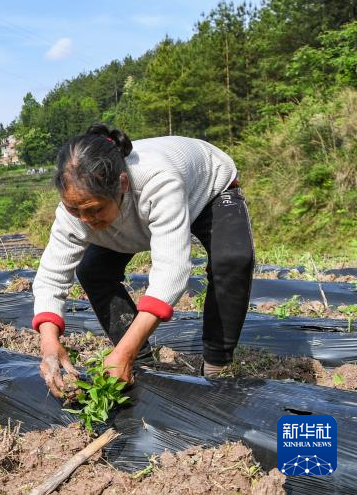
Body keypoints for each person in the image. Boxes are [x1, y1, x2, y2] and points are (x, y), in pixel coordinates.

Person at [32, 123, 253, 397]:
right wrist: (49, 341)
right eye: (74, 210)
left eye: (94, 210)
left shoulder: (159, 180)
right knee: (92, 270)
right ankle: (142, 363)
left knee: (233, 260)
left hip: (208, 189)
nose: (86, 220)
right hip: (133, 214)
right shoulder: (77, 211)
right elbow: (51, 276)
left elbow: (171, 271)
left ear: (122, 184)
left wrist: (123, 351)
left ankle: (216, 366)